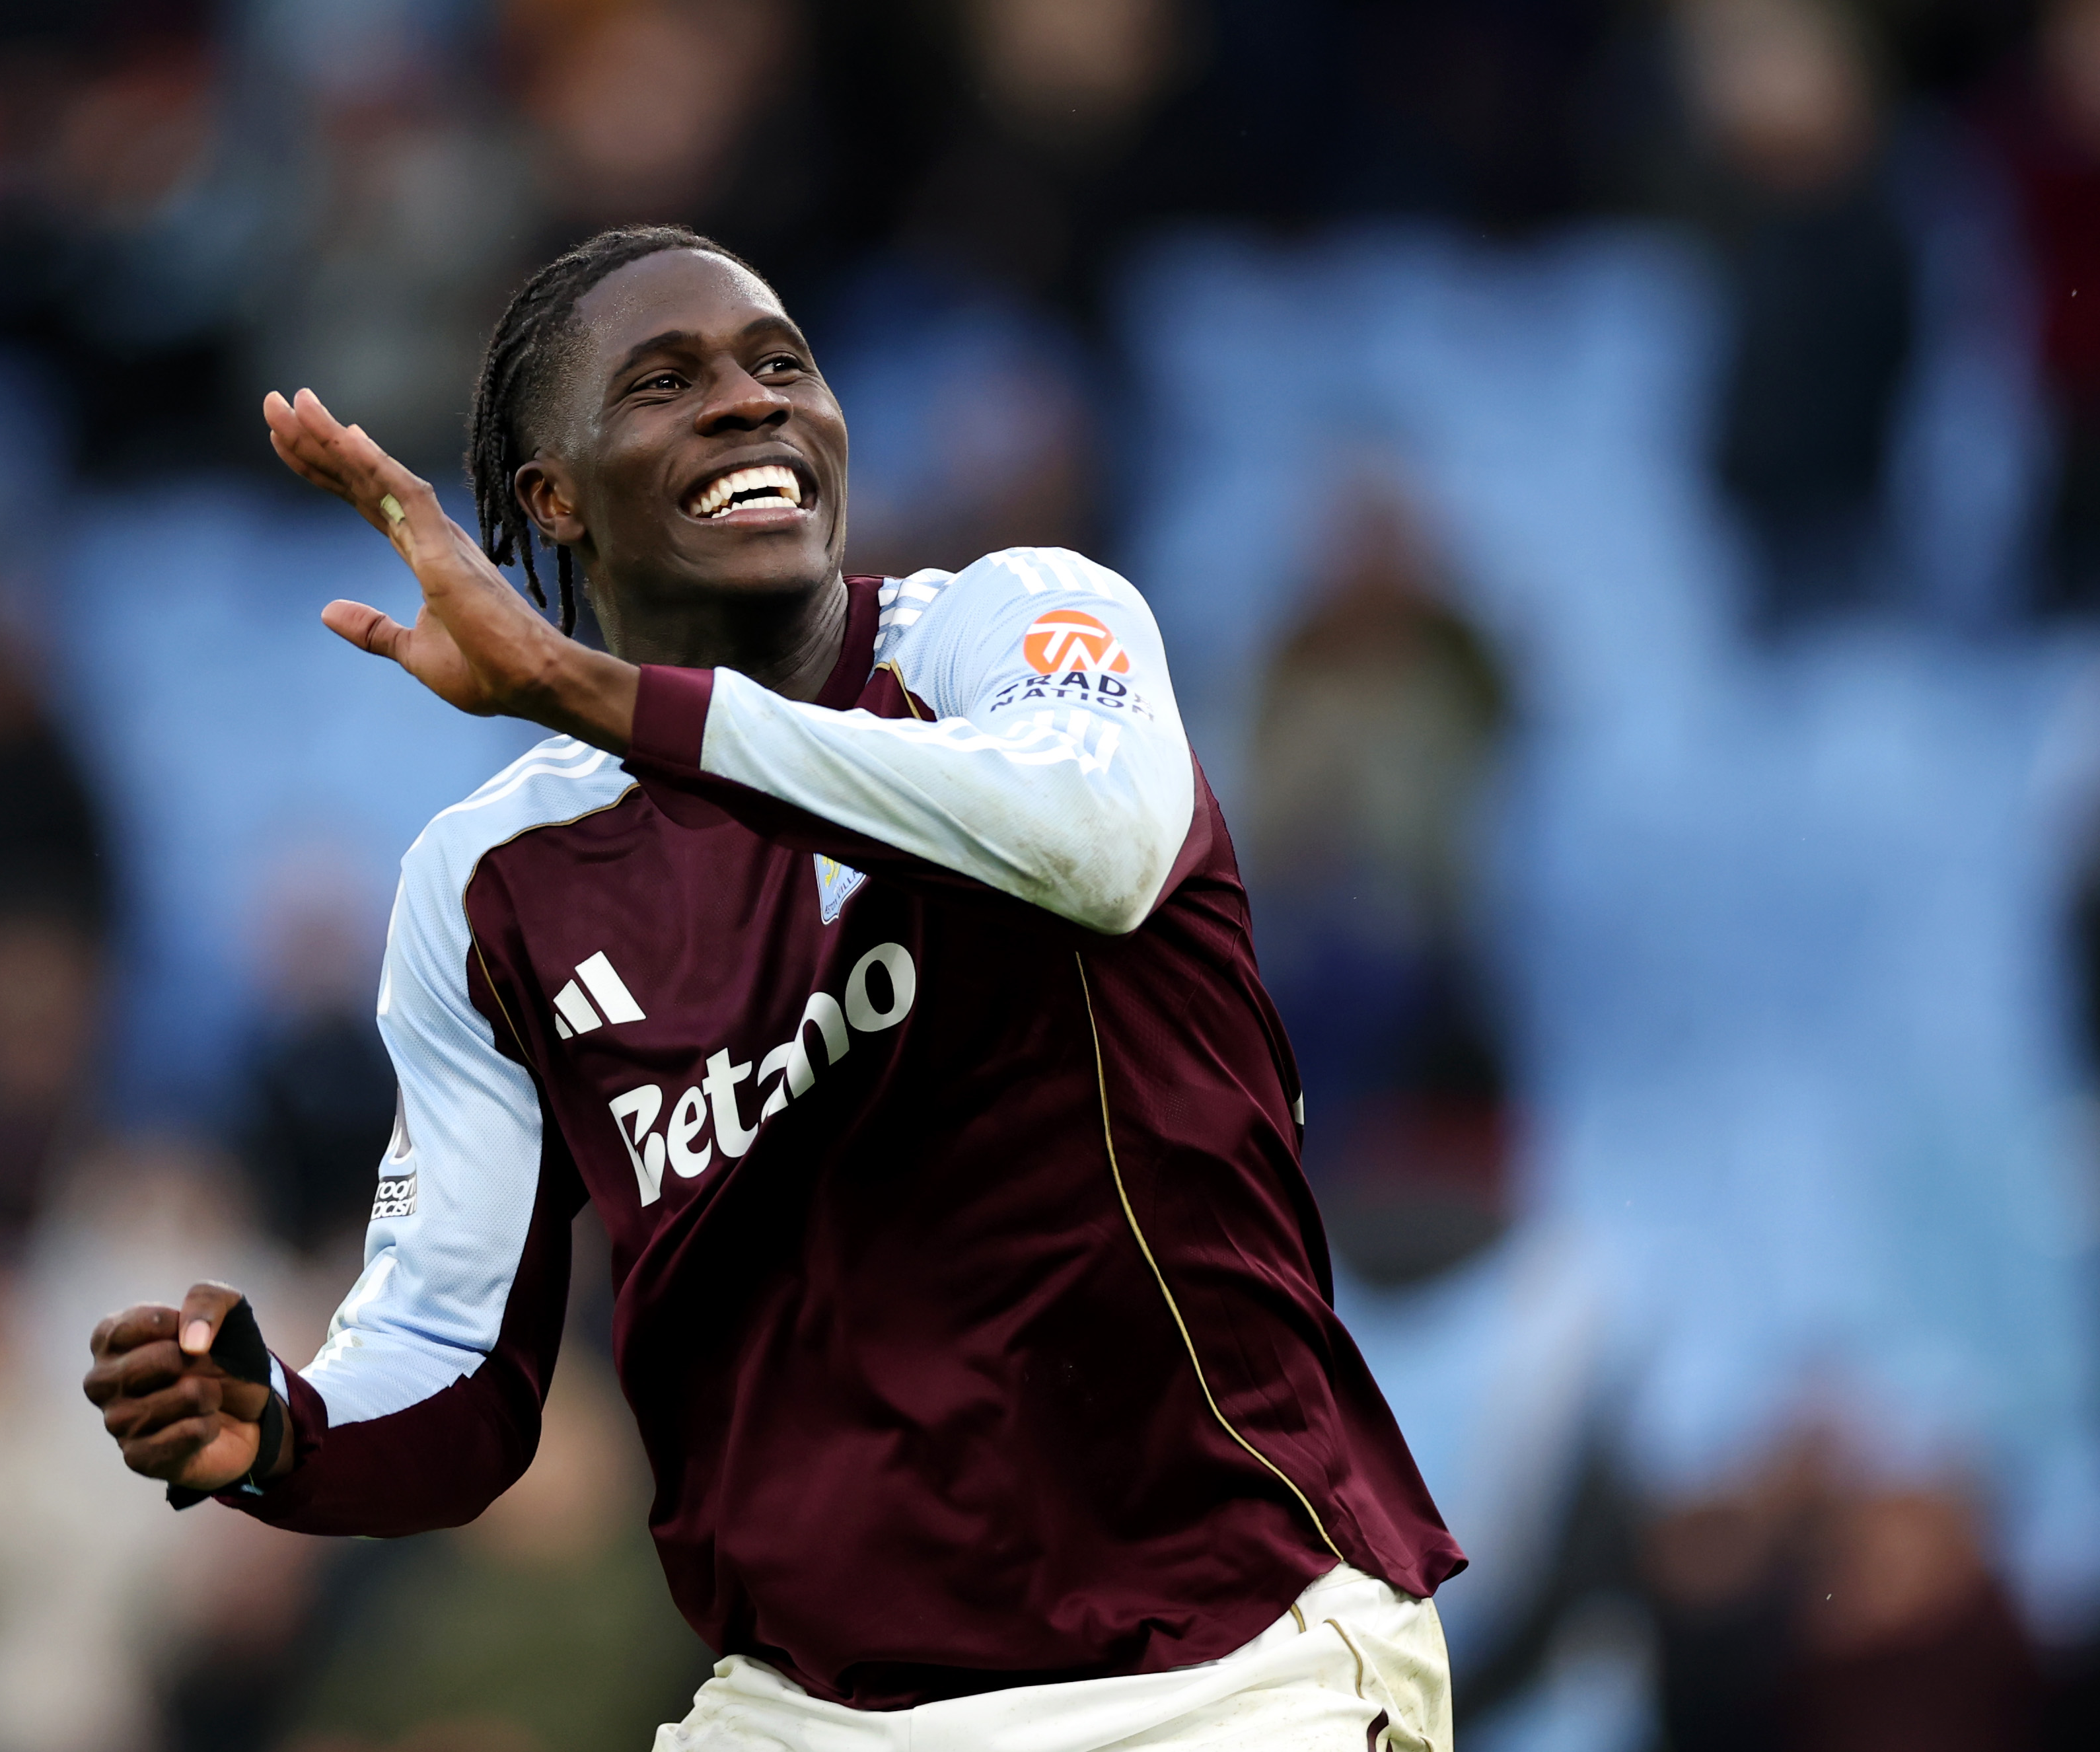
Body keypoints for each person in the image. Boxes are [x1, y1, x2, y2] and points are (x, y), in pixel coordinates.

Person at [82, 226, 1463, 1749]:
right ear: (552, 498)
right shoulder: (490, 885)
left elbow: (1099, 842)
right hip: (813, 1713)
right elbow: (452, 1362)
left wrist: (589, 692)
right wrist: (287, 1429)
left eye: (782, 365)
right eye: (665, 382)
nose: (751, 401)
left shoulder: (1013, 630)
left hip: (1229, 1670)